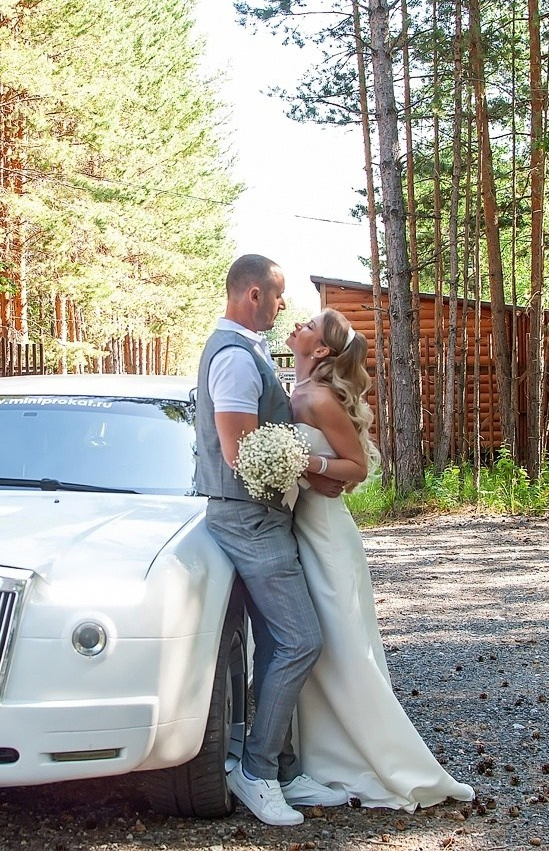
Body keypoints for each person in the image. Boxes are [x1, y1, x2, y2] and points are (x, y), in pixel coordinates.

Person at [284, 308, 476, 810]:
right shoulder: (294, 390)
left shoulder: (319, 398)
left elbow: (357, 467)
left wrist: (308, 463)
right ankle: (322, 756)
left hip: (326, 535)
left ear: (321, 350)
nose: (300, 324)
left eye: (310, 325)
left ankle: (386, 759)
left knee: (344, 646)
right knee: (317, 649)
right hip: (299, 530)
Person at [194, 254, 347, 827]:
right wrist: (307, 469)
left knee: (274, 642)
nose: (284, 306)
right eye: (278, 295)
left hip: (259, 516)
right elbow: (241, 455)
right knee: (302, 640)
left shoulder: (247, 352)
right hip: (249, 519)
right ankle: (256, 771)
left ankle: (282, 770)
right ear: (253, 294)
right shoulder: (235, 359)